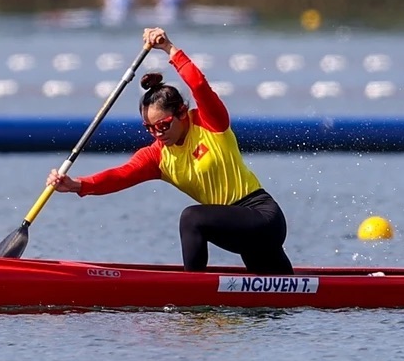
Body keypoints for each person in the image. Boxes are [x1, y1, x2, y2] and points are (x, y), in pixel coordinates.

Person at [47, 27, 294, 275]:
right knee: (279, 300)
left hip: (262, 217)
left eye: (163, 125)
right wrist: (77, 184)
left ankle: (192, 294)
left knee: (191, 218)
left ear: (182, 113)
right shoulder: (157, 157)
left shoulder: (210, 122)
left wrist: (168, 48)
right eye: (150, 128)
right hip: (236, 231)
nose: (158, 133)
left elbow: (197, 83)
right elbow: (119, 176)